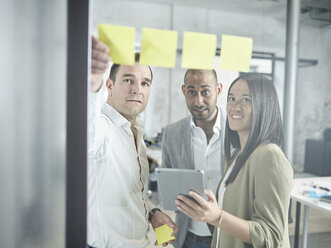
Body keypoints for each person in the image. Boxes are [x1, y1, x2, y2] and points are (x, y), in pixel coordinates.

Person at [175, 73, 293, 248]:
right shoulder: (236, 156)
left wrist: (218, 216)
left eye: (246, 100)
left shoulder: (270, 156)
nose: (235, 107)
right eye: (232, 98)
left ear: (264, 105)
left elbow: (272, 236)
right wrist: (206, 212)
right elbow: (227, 219)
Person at [88, 37, 178, 248]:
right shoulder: (102, 128)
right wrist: (93, 83)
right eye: (128, 80)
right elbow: (87, 131)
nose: (137, 89)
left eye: (145, 83)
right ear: (109, 85)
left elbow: (134, 192)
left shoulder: (134, 133)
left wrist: (152, 212)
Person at [162, 69, 225, 248]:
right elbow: (166, 193)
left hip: (229, 237)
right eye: (192, 92)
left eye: (205, 92)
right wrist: (164, 233)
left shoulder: (237, 131)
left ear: (218, 90)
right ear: (183, 91)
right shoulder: (171, 134)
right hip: (187, 239)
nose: (198, 101)